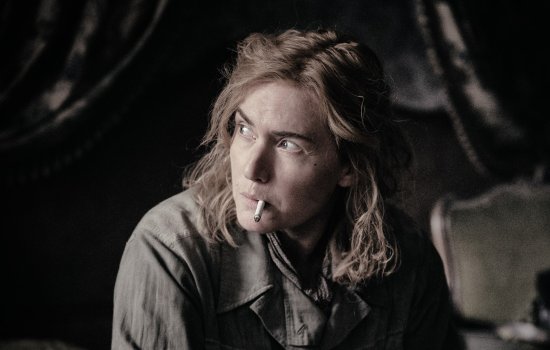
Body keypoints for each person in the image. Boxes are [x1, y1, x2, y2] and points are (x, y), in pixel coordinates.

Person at [112, 28, 460, 349]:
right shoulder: (169, 252)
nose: (251, 169)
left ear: (349, 166)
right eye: (244, 130)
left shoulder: (409, 262)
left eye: (287, 145)